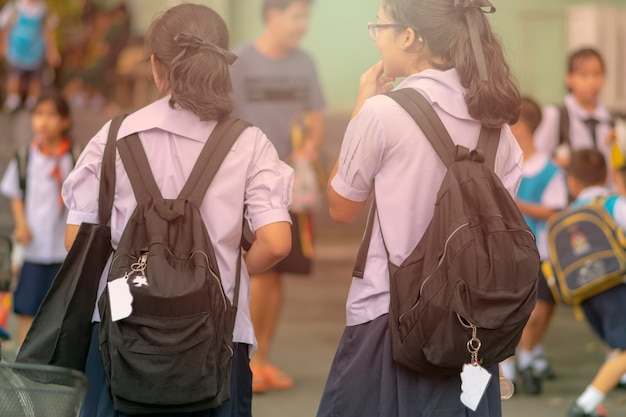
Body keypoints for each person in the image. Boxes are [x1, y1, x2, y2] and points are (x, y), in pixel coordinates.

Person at [61, 4, 293, 416]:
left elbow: (74, 242)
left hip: (122, 326)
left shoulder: (113, 137)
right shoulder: (248, 142)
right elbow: (276, 242)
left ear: (155, 66)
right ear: (221, 62)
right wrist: (232, 265)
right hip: (216, 335)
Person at [317, 0, 522, 415]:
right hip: (472, 324)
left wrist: (360, 106)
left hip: (389, 315)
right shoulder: (495, 123)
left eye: (379, 26)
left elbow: (340, 206)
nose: (376, 37)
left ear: (409, 37)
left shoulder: (382, 112)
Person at [229, 0, 325, 393]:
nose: (302, 25)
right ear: (272, 15)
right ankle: (246, 362)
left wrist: (310, 149)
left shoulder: (305, 62)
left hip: (291, 184)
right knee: (261, 274)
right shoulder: (240, 61)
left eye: (306, 17)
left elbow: (316, 116)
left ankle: (263, 358)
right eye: (296, 16)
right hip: (248, 183)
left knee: (279, 271)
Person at [500, 97, 568, 394]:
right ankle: (509, 366)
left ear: (524, 126)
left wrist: (516, 204)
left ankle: (526, 358)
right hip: (506, 251)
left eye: (510, 122)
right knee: (508, 311)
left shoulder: (550, 170)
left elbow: (555, 209)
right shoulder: (502, 163)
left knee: (536, 311)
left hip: (539, 252)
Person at [0, 91, 73, 347]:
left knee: (57, 309)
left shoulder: (73, 158)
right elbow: (15, 191)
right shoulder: (26, 157)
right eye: (39, 114)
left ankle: (49, 360)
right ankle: (23, 360)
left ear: (65, 121)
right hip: (33, 248)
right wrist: (20, 223)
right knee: (27, 308)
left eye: (52, 115)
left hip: (63, 251)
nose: (43, 121)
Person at [563, 149, 626, 417]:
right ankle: (585, 404)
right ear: (607, 175)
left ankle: (598, 401)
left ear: (572, 182)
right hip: (617, 287)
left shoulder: (566, 214)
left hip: (586, 293)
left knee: (615, 345)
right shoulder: (616, 204)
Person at [534, 48, 613, 168]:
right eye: (583, 75)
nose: (591, 82)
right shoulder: (556, 115)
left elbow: (615, 169)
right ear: (569, 78)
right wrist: (567, 163)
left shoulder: (610, 120)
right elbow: (536, 160)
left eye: (597, 74)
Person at [0, 0, 60, 112]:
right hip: (16, 50)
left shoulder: (44, 10)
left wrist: (52, 51)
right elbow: (4, 26)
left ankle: (32, 101)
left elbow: (49, 31)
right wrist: (3, 44)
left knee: (35, 77)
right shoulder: (14, 7)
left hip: (36, 50)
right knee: (15, 75)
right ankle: (13, 99)